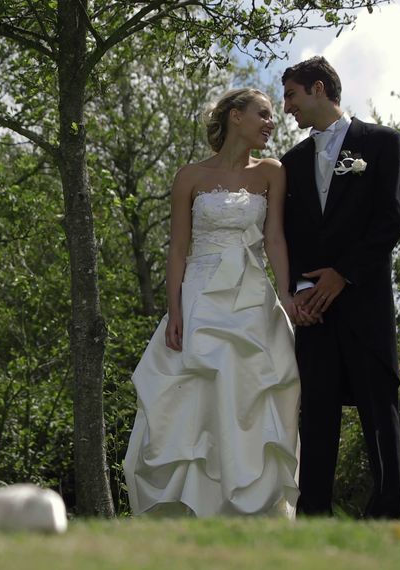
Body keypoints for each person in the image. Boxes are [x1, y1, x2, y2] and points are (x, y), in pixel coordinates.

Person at [123, 88, 301, 517]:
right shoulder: (190, 177)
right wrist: (176, 311)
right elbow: (178, 249)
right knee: (194, 398)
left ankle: (253, 511)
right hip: (200, 296)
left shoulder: (272, 172)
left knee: (251, 396)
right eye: (262, 114)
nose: (270, 123)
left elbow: (275, 238)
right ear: (235, 117)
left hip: (253, 299)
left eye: (272, 116)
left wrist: (286, 296)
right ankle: (191, 508)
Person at [279, 56, 400, 518]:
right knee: (315, 417)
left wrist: (343, 274)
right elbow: (287, 234)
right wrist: (298, 294)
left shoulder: (383, 142)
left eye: (292, 94)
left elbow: (391, 218)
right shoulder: (290, 163)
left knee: (379, 412)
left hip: (365, 304)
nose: (287, 106)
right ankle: (315, 518)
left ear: (318, 89)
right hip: (314, 312)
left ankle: (386, 512)